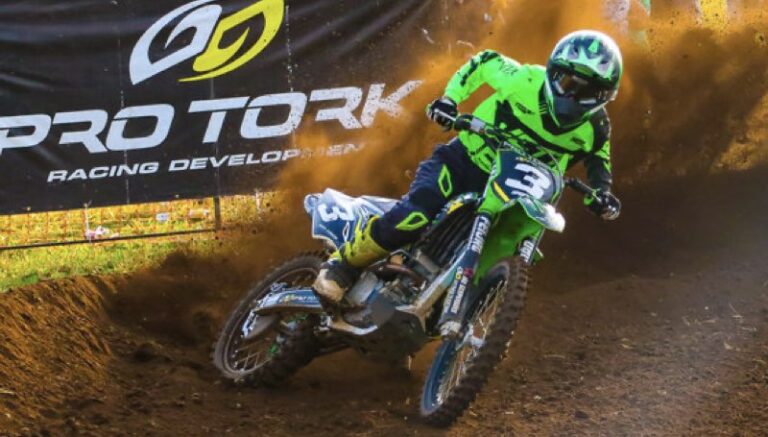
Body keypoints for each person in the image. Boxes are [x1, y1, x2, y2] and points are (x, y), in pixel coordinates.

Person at [314, 30, 623, 304]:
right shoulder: (523, 80)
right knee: (416, 214)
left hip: (517, 191)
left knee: (506, 246)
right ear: (553, 73)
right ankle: (343, 265)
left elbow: (600, 162)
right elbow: (484, 62)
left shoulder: (597, 129)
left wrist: (602, 194)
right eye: (568, 83)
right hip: (465, 162)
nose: (573, 95)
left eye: (587, 92)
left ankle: (450, 308)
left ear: (604, 96)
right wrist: (450, 100)